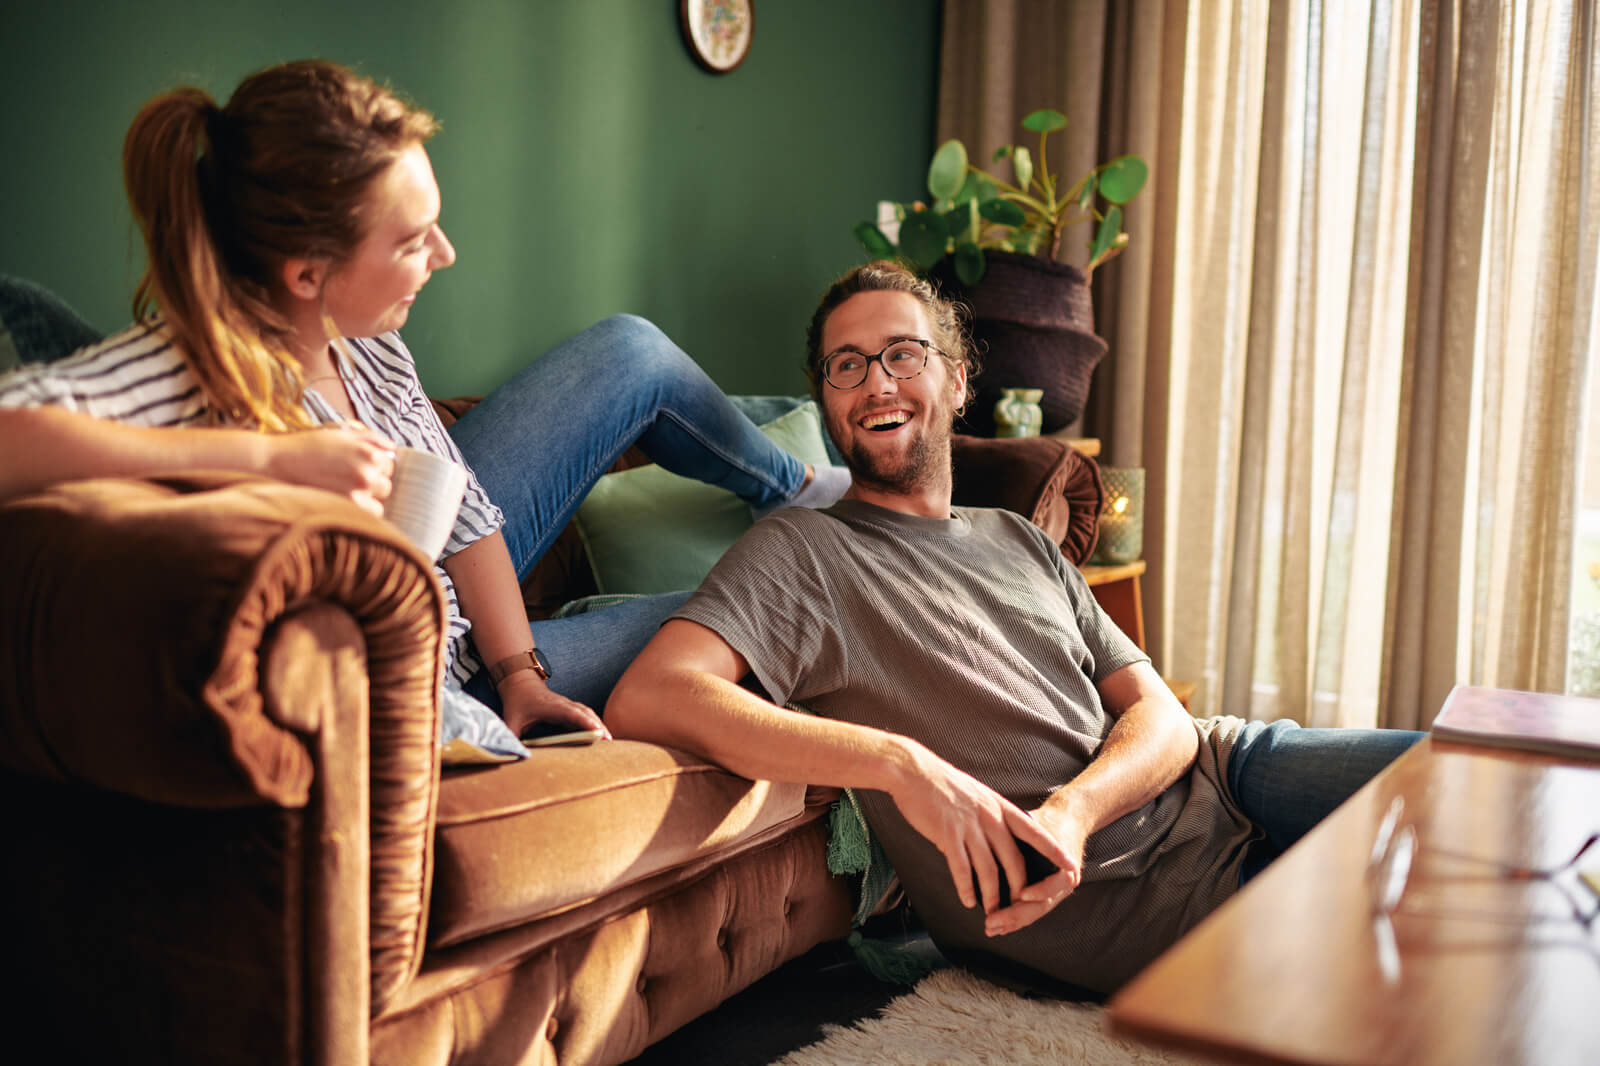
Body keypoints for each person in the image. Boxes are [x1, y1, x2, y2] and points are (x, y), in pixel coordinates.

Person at [605, 260, 1423, 995]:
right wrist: (899, 764)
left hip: (1229, 768)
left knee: (1473, 774)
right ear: (828, 401)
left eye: (903, 354)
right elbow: (653, 695)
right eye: (846, 365)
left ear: (958, 381)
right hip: (1149, 898)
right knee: (1435, 955)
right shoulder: (804, 551)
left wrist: (1075, 810)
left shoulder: (1019, 536)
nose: (877, 383)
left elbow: (1163, 717)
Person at [0, 59, 847, 758]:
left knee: (632, 350)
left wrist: (522, 674)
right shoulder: (183, 366)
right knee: (796, 594)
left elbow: (465, 510)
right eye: (412, 241)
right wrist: (266, 459)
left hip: (485, 645)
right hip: (430, 676)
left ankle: (790, 486)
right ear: (307, 273)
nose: (444, 254)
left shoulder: (364, 339)